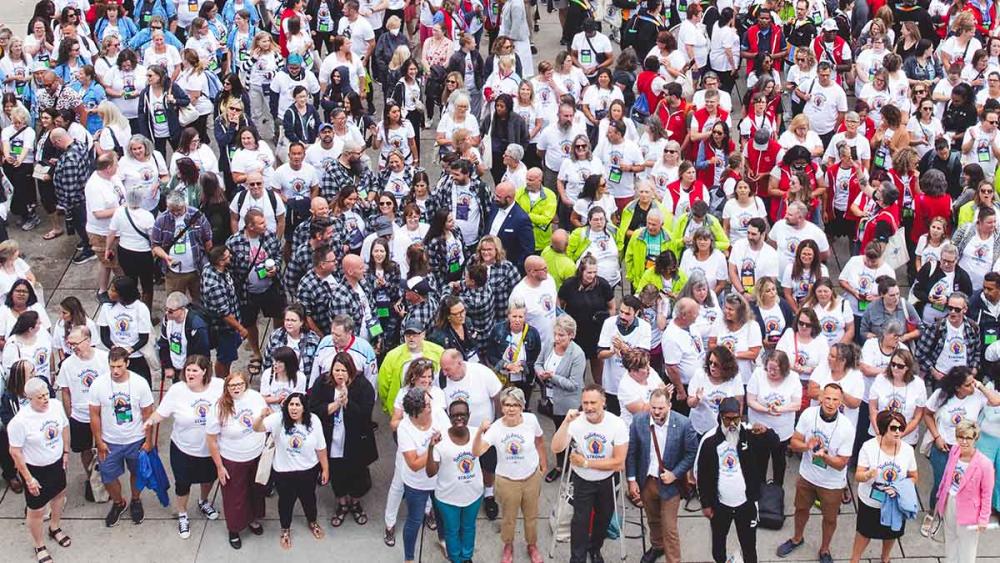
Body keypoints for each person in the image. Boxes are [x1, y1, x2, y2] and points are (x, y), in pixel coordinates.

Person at [142, 355, 223, 538]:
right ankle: (182, 514)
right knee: (183, 484)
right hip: (183, 449)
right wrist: (149, 422)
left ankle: (203, 502)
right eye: (188, 370)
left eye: (194, 370)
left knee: (208, 478)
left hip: (210, 449)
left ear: (204, 371)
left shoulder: (218, 386)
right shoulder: (177, 390)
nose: (190, 373)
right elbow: (161, 413)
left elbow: (237, 396)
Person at [777, 383, 856, 563]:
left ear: (841, 402)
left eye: (835, 399)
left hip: (832, 483)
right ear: (820, 398)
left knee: (829, 518)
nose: (830, 403)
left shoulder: (846, 427)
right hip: (807, 475)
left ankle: (825, 549)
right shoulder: (808, 414)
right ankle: (797, 538)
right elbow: (794, 441)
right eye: (827, 398)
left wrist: (826, 457)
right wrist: (807, 446)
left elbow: (842, 463)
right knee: (801, 509)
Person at [551, 384, 629, 563]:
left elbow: (618, 462)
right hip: (583, 480)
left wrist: (586, 463)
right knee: (580, 521)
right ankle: (577, 558)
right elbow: (556, 447)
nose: (589, 407)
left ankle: (594, 549)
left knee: (603, 518)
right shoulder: (576, 422)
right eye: (585, 402)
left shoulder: (616, 424)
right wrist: (566, 422)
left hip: (607, 480)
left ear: (603, 402)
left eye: (593, 402)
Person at [697, 396, 779, 563]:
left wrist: (767, 432)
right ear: (720, 417)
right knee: (718, 546)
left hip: (746, 505)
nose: (733, 423)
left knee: (749, 547)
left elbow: (775, 445)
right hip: (720, 506)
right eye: (728, 419)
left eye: (736, 418)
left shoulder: (751, 434)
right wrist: (706, 503)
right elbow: (702, 475)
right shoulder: (709, 440)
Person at [624, 386, 697, 563]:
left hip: (670, 485)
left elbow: (691, 453)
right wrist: (632, 481)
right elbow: (632, 453)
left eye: (660, 408)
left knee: (670, 528)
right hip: (647, 481)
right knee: (653, 519)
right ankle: (657, 546)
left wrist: (675, 474)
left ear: (669, 406)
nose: (656, 412)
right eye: (653, 407)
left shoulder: (683, 424)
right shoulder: (639, 421)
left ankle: (674, 560)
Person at [473, 386, 545, 563]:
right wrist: (479, 431)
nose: (511, 408)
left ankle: (532, 545)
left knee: (531, 516)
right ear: (502, 406)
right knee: (508, 518)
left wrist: (543, 463)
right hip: (507, 481)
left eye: (515, 404)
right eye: (506, 404)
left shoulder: (531, 420)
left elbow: (539, 440)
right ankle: (508, 545)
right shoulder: (496, 428)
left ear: (522, 406)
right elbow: (476, 452)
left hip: (531, 478)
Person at [252, 391, 329, 549]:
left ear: (304, 407)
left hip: (308, 471)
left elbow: (321, 447)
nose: (294, 408)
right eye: (291, 404)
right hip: (283, 473)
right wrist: (261, 416)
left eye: (297, 405)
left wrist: (325, 469)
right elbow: (257, 428)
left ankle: (312, 522)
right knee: (285, 503)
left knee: (309, 499)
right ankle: (285, 529)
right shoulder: (278, 419)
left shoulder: (314, 421)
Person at [88, 346, 155, 528]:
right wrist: (99, 441)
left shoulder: (140, 383)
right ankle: (118, 502)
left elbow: (148, 414)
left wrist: (148, 441)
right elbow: (94, 414)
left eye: (119, 366)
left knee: (137, 473)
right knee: (108, 477)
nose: (115, 371)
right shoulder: (98, 384)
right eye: (112, 366)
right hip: (110, 442)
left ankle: (135, 500)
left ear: (127, 363)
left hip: (135, 439)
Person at [8, 377, 71, 563]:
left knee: (59, 495)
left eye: (46, 394)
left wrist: (66, 452)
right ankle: (39, 544)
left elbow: (65, 427)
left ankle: (55, 527)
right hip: (35, 470)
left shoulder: (56, 405)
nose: (45, 399)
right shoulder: (20, 422)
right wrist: (28, 479)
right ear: (29, 398)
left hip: (57, 463)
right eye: (39, 397)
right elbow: (15, 452)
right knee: (36, 509)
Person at [205, 371, 268, 549]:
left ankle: (253, 520)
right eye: (232, 385)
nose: (236, 388)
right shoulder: (219, 407)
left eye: (240, 384)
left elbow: (265, 421)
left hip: (256, 454)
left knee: (255, 491)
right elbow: (211, 439)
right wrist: (219, 467)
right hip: (233, 459)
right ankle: (234, 529)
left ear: (245, 385)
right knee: (235, 497)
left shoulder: (255, 398)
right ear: (227, 388)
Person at [924, 366, 1000, 510]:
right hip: (944, 447)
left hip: (965, 451)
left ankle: (953, 512)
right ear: (957, 388)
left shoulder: (977, 394)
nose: (972, 386)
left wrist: (981, 387)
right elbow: (927, 413)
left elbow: (996, 401)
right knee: (941, 482)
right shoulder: (941, 394)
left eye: (973, 382)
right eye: (968, 385)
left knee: (960, 483)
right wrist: (937, 437)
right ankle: (933, 513)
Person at [849, 409, 919, 563]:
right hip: (871, 500)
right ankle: (855, 559)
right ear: (883, 428)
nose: (898, 432)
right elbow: (858, 475)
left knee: (891, 533)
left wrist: (898, 489)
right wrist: (868, 475)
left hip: (894, 502)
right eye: (893, 428)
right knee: (864, 532)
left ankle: (885, 557)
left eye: (901, 428)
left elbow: (914, 476)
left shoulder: (907, 450)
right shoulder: (869, 447)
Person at [55, 326, 109, 499]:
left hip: (103, 415)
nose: (72, 348)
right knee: (85, 450)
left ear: (87, 341)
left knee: (105, 447)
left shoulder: (104, 359)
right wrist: (70, 413)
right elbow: (65, 391)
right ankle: (91, 478)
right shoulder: (67, 365)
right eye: (69, 344)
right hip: (80, 416)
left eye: (75, 343)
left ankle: (107, 477)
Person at [395, 387, 449, 563]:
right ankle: (409, 558)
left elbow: (450, 436)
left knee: (441, 514)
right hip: (416, 485)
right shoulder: (405, 428)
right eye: (427, 404)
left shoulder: (439, 414)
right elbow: (414, 464)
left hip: (439, 479)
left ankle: (443, 541)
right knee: (415, 520)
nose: (431, 406)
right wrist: (433, 446)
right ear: (416, 412)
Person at [933, 419, 995, 562]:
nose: (964, 442)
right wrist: (940, 496)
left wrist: (983, 519)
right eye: (961, 437)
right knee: (950, 541)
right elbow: (946, 475)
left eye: (968, 438)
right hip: (950, 502)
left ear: (975, 439)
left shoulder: (984, 464)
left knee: (967, 550)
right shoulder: (954, 451)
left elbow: (987, 493)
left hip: (969, 511)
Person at [535, 314, 586, 483]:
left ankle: (574, 466)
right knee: (558, 432)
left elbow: (574, 385)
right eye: (555, 334)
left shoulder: (577, 354)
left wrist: (553, 377)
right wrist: (540, 373)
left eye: (562, 335)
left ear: (571, 335)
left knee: (571, 436)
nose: (557, 339)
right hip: (550, 400)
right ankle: (559, 466)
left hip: (567, 404)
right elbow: (538, 363)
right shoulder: (550, 345)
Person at [97, 276, 153, 385]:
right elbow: (104, 334)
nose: (109, 292)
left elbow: (143, 338)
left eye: (113, 290)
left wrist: (128, 351)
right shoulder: (106, 307)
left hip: (135, 356)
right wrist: (115, 350)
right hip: (115, 356)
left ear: (123, 293)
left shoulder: (140, 308)